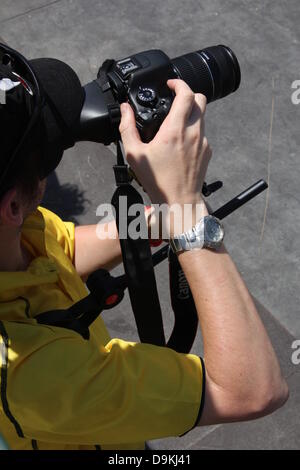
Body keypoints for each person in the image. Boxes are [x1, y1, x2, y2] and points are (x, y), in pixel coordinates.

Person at [0, 48, 288, 450]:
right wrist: (187, 210)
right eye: (48, 148)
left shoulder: (12, 235)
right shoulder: (36, 375)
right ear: (13, 205)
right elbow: (254, 389)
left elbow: (62, 248)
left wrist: (158, 219)